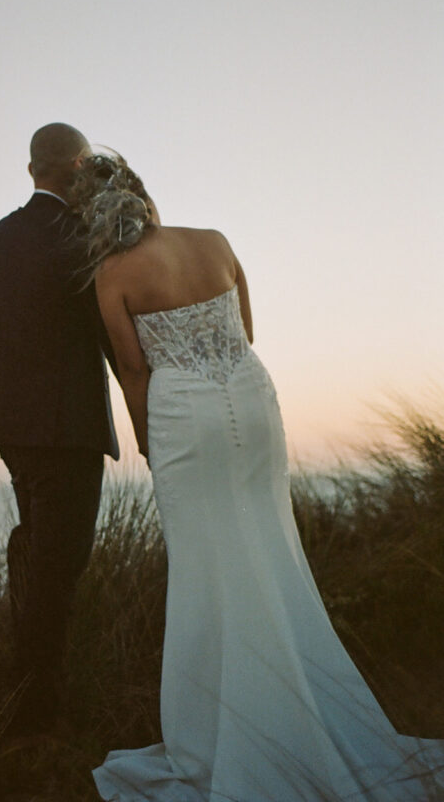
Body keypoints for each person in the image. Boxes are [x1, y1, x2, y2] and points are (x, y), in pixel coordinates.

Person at [68, 153, 444, 801]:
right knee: (271, 546)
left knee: (206, 566)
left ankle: (231, 729)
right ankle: (300, 701)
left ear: (91, 219)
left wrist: (148, 443)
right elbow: (245, 330)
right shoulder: (213, 241)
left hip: (185, 414)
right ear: (143, 194)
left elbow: (134, 372)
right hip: (250, 395)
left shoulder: (110, 275)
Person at [0, 125, 119, 735]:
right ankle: (34, 718)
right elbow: (111, 337)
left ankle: (27, 695)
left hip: (13, 426)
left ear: (33, 168)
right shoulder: (83, 238)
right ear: (79, 166)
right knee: (62, 569)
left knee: (40, 553)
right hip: (70, 430)